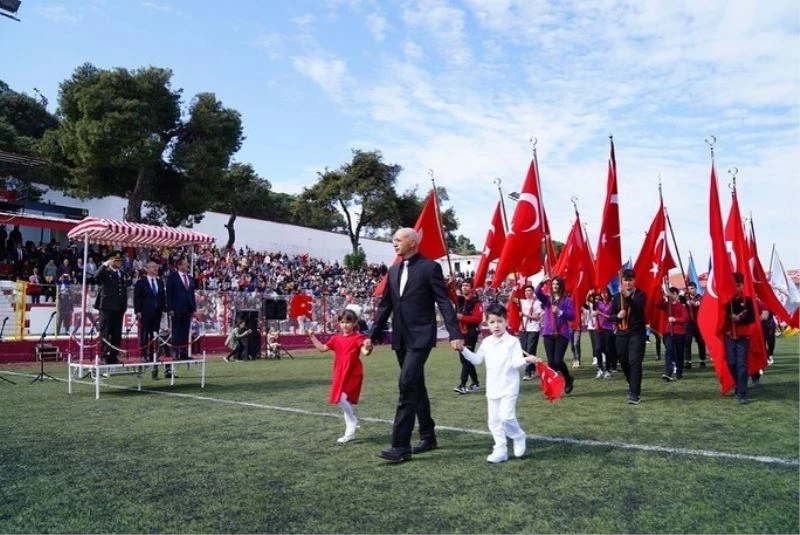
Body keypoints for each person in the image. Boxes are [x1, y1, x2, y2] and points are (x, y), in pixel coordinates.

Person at [366, 228, 464, 463]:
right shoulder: (393, 270)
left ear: (412, 242)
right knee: (416, 386)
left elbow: (443, 302)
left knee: (407, 384)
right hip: (400, 337)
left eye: (398, 240)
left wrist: (455, 333)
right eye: (394, 240)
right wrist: (372, 335)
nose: (394, 243)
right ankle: (428, 436)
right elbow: (385, 306)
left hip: (421, 336)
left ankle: (400, 446)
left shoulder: (430, 267)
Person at [459, 303, 539, 463]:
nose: (496, 325)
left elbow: (515, 363)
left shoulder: (513, 342)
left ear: (506, 322)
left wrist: (526, 360)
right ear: (487, 323)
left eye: (500, 321)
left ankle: (518, 436)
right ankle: (500, 449)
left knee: (507, 417)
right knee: (494, 422)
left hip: (509, 386)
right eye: (492, 322)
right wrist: (463, 350)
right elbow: (477, 360)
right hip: (493, 388)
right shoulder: (487, 342)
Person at [308, 309, 372, 444]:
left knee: (341, 399)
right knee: (342, 400)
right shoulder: (336, 338)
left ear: (354, 323)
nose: (345, 325)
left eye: (348, 322)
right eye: (342, 322)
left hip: (353, 373)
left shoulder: (358, 338)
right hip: (339, 372)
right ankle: (350, 433)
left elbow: (365, 352)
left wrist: (369, 347)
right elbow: (322, 348)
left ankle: (352, 421)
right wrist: (312, 336)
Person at [610, 269, 647, 404]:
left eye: (630, 280)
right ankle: (632, 383)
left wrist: (628, 297)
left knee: (634, 361)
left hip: (637, 333)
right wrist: (617, 316)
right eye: (625, 280)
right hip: (621, 333)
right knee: (623, 361)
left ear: (634, 281)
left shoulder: (640, 294)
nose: (628, 283)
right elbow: (611, 316)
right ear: (622, 281)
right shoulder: (616, 297)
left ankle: (635, 393)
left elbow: (637, 308)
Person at [535, 275, 575, 394]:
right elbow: (537, 292)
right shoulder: (548, 299)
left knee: (558, 361)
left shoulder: (566, 300)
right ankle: (553, 389)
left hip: (562, 333)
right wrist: (542, 282)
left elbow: (572, 316)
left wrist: (559, 311)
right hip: (548, 333)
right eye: (553, 284)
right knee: (551, 363)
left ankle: (568, 378)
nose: (555, 286)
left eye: (557, 284)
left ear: (561, 286)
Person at [724, 272, 755, 404]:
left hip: (743, 336)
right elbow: (721, 317)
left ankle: (742, 393)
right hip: (730, 335)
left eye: (738, 285)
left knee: (741, 364)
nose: (735, 288)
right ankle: (737, 384)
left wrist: (739, 319)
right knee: (731, 363)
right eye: (733, 285)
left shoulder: (748, 301)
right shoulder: (727, 301)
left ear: (742, 285)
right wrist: (729, 317)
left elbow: (752, 318)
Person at [94, 251, 128, 365]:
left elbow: (123, 290)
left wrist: (124, 305)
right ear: (111, 261)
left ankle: (113, 355)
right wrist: (104, 265)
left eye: (120, 261)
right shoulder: (106, 271)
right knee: (105, 331)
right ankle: (103, 355)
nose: (119, 263)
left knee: (116, 333)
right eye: (116, 260)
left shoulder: (122, 273)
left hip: (118, 307)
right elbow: (96, 276)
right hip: (107, 306)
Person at [133, 260, 166, 378]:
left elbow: (162, 297)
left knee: (154, 335)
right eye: (153, 267)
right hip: (145, 312)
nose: (155, 269)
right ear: (147, 269)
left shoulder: (160, 282)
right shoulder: (141, 282)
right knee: (144, 334)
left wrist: (163, 309)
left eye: (156, 267)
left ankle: (153, 354)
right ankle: (143, 354)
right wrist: (138, 311)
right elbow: (137, 298)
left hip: (157, 312)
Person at [453, 279, 483, 395]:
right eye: (463, 286)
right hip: (461, 333)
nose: (464, 287)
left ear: (471, 288)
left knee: (466, 358)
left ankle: (462, 385)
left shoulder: (476, 302)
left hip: (471, 333)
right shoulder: (459, 300)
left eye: (467, 285)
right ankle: (475, 382)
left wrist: (462, 318)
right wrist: (451, 283)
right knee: (465, 359)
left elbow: (478, 318)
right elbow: (449, 294)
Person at [166, 256, 196, 368]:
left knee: (185, 331)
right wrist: (170, 308)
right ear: (179, 265)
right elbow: (169, 293)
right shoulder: (172, 277)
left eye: (187, 263)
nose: (187, 265)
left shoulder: (190, 278)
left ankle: (184, 352)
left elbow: (192, 294)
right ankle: (175, 352)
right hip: (176, 308)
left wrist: (193, 308)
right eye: (185, 263)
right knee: (176, 331)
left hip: (188, 308)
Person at [513, 284, 542, 381]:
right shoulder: (522, 302)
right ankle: (533, 369)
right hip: (523, 329)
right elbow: (511, 299)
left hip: (533, 329)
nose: (527, 292)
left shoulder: (537, 303)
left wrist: (525, 315)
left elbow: (537, 318)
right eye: (525, 291)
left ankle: (528, 372)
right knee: (524, 350)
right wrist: (514, 289)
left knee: (530, 350)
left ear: (533, 292)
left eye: (529, 290)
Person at [658, 287, 688, 381]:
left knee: (679, 353)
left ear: (677, 295)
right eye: (670, 294)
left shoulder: (681, 306)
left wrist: (675, 319)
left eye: (673, 294)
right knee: (669, 351)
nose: (672, 296)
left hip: (679, 332)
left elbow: (686, 318)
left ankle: (679, 371)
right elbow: (658, 305)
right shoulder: (666, 305)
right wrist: (664, 297)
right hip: (668, 332)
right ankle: (668, 372)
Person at [683, 281, 706, 369]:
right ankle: (688, 361)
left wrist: (691, 302)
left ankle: (702, 360)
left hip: (699, 322)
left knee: (700, 342)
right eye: (689, 289)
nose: (690, 290)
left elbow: (698, 304)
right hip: (689, 323)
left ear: (696, 288)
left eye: (692, 288)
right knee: (687, 341)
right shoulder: (685, 297)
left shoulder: (700, 297)